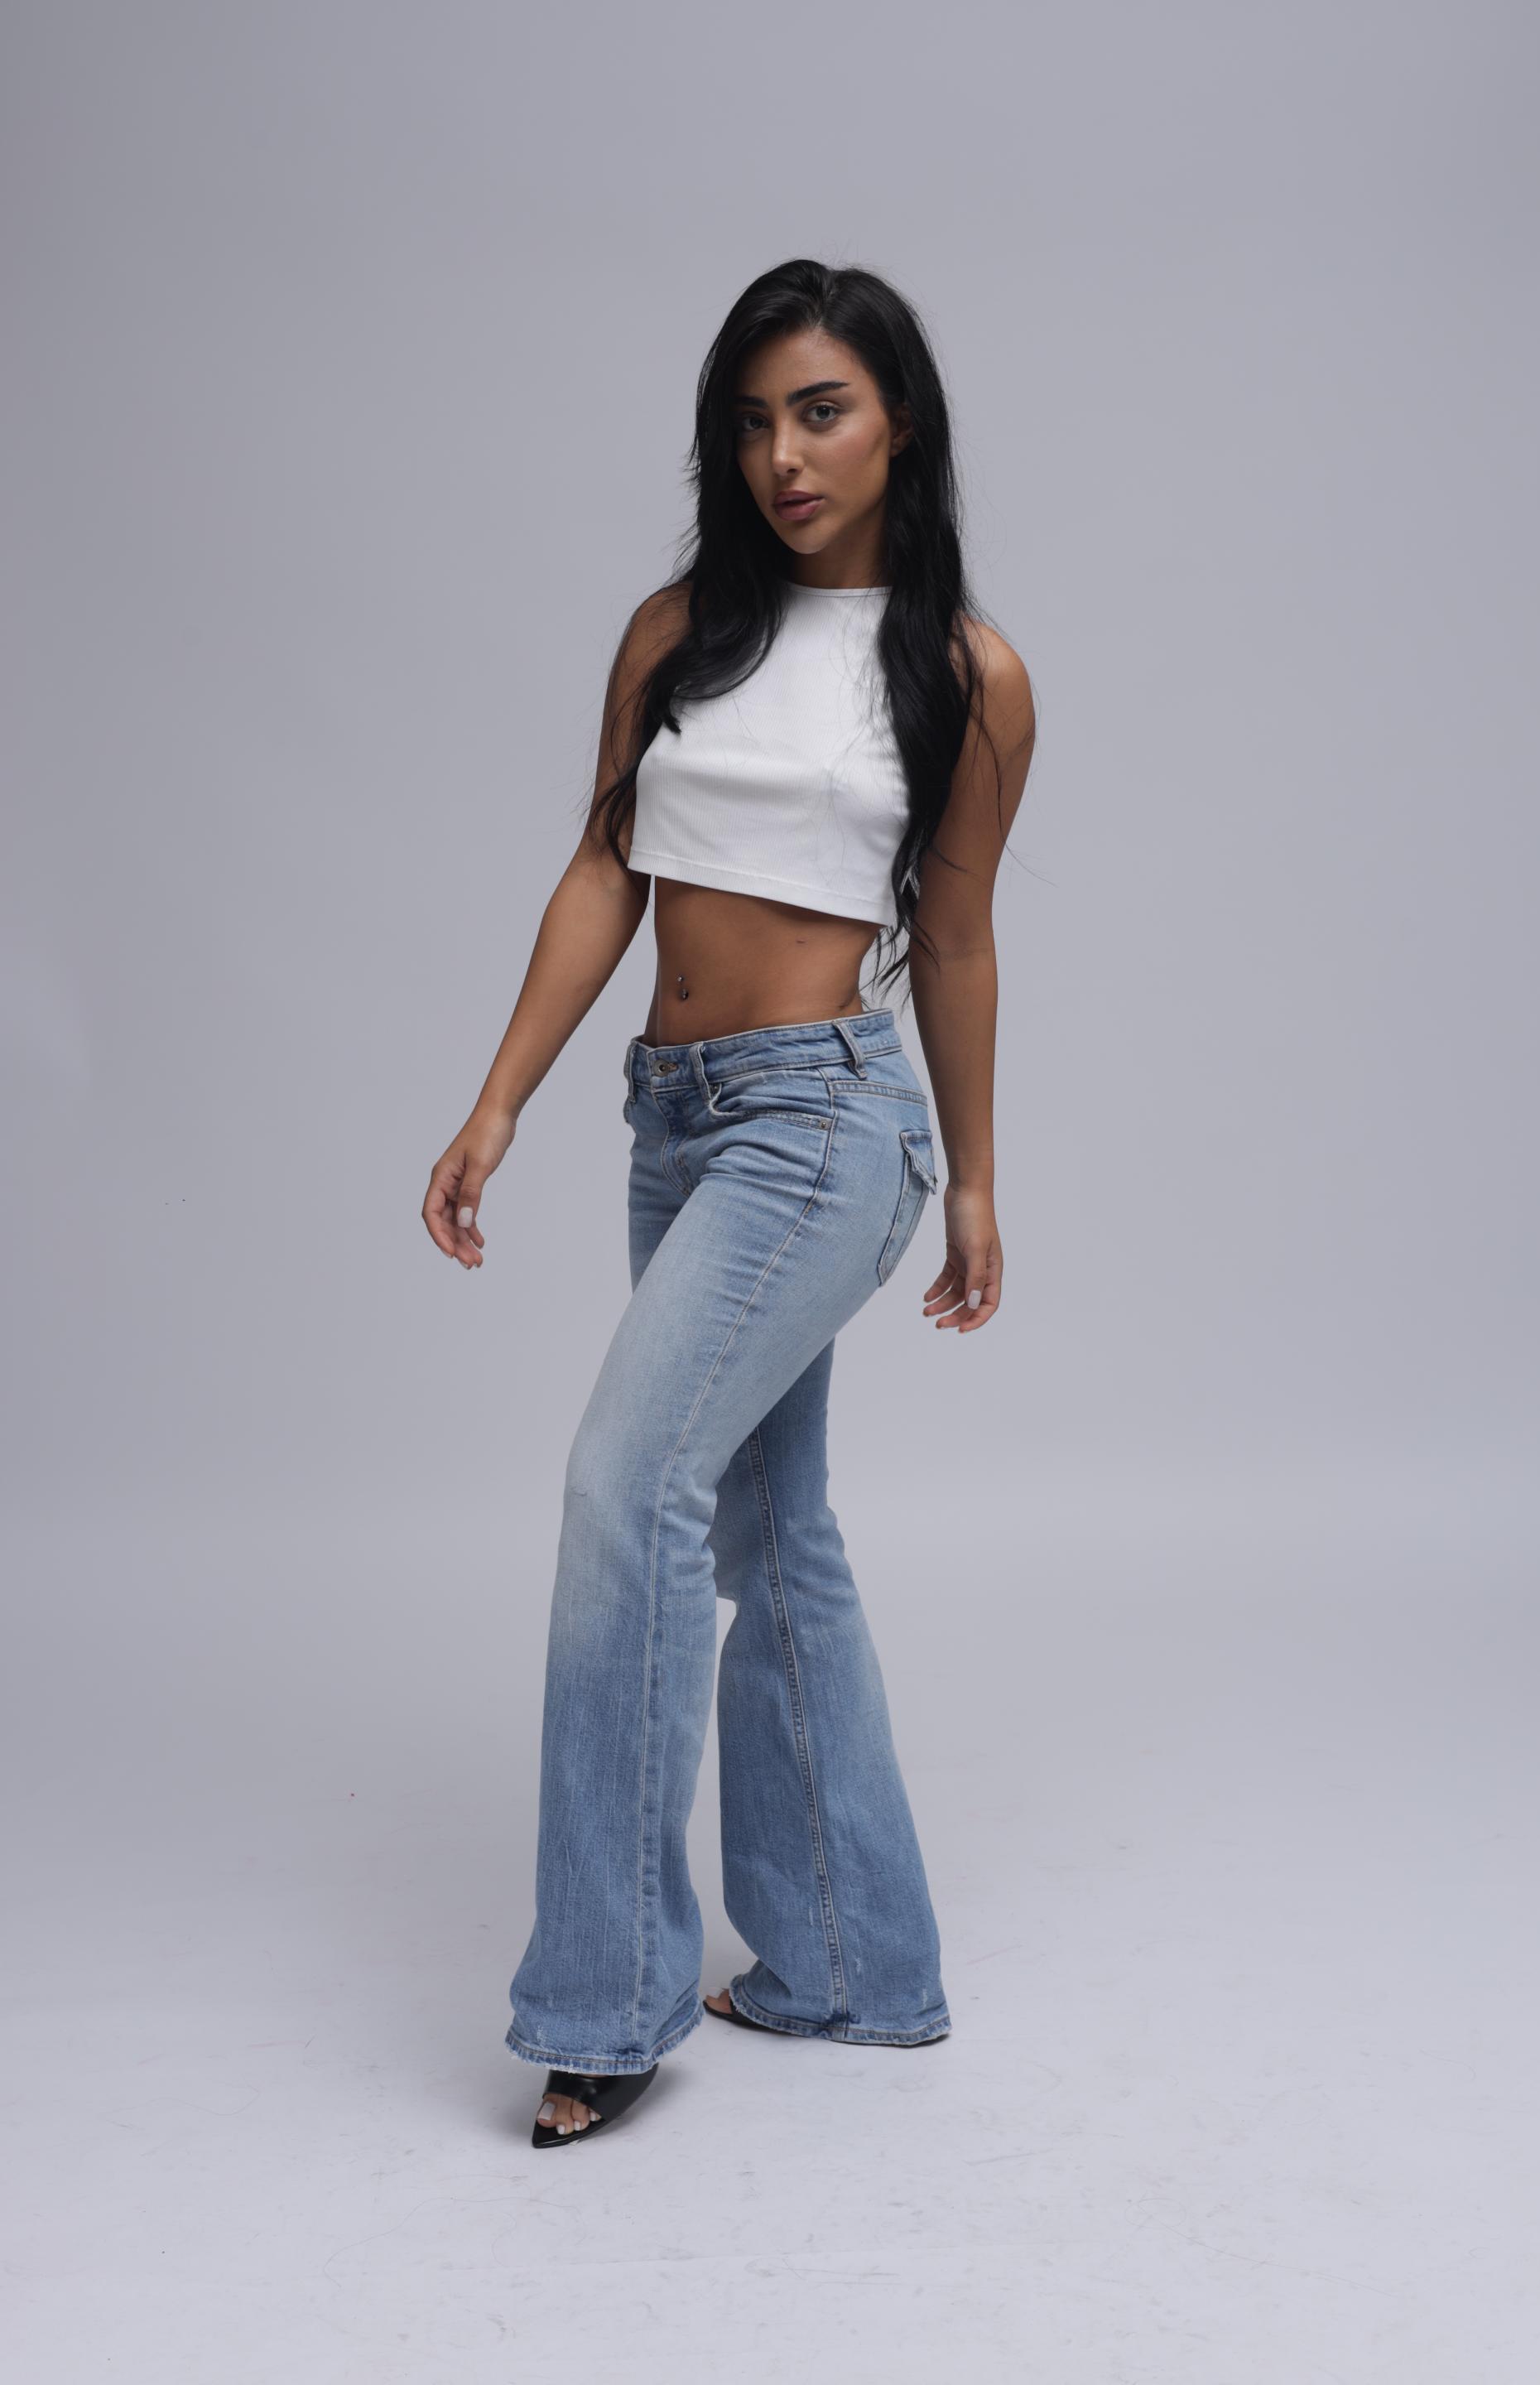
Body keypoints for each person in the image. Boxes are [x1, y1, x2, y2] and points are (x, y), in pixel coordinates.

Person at [422, 258, 1035, 2146]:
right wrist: (500, 1098)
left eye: (822, 411)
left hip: (829, 1121)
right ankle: (855, 1962)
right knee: (772, 1523)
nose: (786, 455)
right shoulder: (677, 631)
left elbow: (956, 941)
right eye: (755, 420)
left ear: (900, 421)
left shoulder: (966, 674)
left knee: (631, 1491)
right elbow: (606, 869)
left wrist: (977, 1178)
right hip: (673, 1118)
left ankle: (605, 2001)